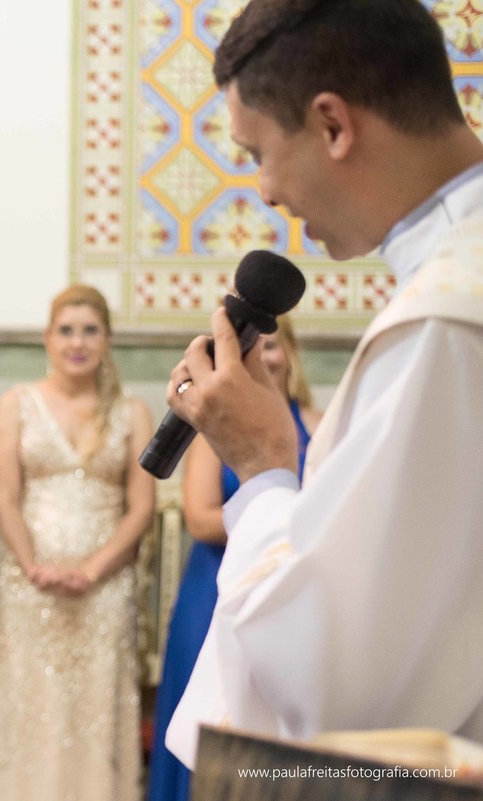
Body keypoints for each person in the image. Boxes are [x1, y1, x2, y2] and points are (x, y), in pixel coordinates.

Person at [164, 0, 483, 768]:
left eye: (258, 152)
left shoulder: (446, 317)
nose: (265, 192)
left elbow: (340, 687)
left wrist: (266, 460)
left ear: (333, 125)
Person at [0, 285, 154, 801]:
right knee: (34, 705)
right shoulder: (18, 403)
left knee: (97, 709)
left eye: (90, 330)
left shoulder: (133, 412)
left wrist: (93, 570)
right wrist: (34, 566)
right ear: (48, 338)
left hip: (104, 592)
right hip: (31, 590)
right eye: (66, 330)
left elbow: (141, 506)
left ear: (107, 339)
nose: (77, 342)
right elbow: (6, 497)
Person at [148, 315, 320, 801]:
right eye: (255, 347)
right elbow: (201, 517)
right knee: (210, 719)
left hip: (291, 588)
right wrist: (276, 510)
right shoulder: (215, 429)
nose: (265, 356)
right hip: (215, 586)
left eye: (274, 345)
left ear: (290, 352)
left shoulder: (320, 424)